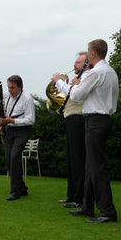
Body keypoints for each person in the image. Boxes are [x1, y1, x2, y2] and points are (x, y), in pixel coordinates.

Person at [69, 39, 118, 223]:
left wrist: (72, 84)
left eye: (89, 51)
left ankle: (107, 211)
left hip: (95, 120)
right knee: (90, 166)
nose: (88, 54)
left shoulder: (95, 73)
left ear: (93, 54)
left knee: (96, 168)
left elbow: (76, 96)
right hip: (104, 119)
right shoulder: (111, 72)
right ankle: (87, 207)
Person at [52, 52, 88, 209]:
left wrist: (59, 81)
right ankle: (71, 194)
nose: (75, 65)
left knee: (78, 161)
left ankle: (79, 198)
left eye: (79, 62)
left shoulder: (86, 77)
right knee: (71, 160)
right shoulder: (77, 79)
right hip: (71, 119)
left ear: (86, 64)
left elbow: (75, 95)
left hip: (78, 119)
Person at [0, 75, 35, 200]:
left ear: (20, 87)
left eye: (12, 87)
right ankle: (22, 188)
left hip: (22, 130)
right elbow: (0, 109)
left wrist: (12, 120)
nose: (9, 90)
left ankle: (15, 191)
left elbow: (30, 119)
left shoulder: (27, 98)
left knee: (14, 157)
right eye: (8, 87)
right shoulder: (7, 95)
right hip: (10, 129)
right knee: (8, 159)